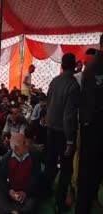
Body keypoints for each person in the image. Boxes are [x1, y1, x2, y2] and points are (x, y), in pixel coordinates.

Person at [44, 53, 80, 213]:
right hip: (63, 133)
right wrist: (71, 141)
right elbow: (69, 115)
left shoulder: (54, 81)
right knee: (66, 169)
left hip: (50, 130)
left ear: (62, 65)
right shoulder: (73, 85)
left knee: (50, 164)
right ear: (74, 67)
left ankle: (44, 193)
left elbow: (48, 103)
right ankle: (59, 203)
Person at [76, 34, 103, 214]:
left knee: (90, 175)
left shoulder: (90, 69)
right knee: (89, 175)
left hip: (91, 128)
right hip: (95, 130)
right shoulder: (93, 68)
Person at [0, 133, 41, 214]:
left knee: (33, 203)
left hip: (27, 193)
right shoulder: (6, 159)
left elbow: (37, 177)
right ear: (16, 148)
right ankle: (14, 211)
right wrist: (9, 191)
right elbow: (1, 179)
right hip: (12, 192)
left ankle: (6, 209)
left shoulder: (34, 155)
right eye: (24, 142)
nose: (27, 144)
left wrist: (25, 192)